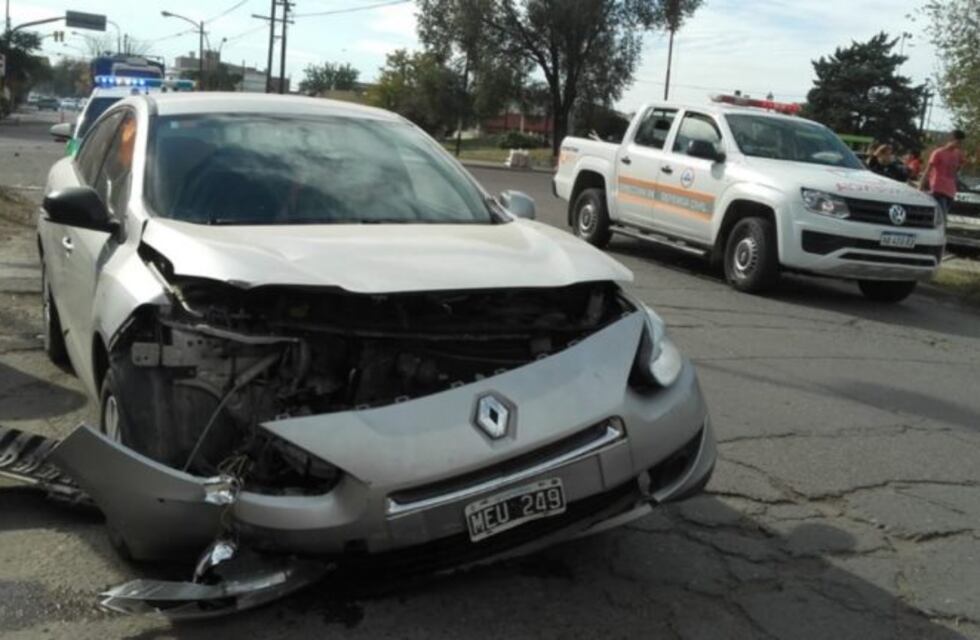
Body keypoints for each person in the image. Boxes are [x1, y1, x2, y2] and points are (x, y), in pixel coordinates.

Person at [920, 130, 966, 221]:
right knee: (942, 216)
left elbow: (958, 169)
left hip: (950, 190)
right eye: (958, 142)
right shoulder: (938, 153)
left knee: (940, 216)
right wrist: (921, 185)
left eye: (961, 143)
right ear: (951, 139)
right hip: (938, 188)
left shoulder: (957, 154)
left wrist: (959, 166)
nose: (959, 145)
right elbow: (928, 170)